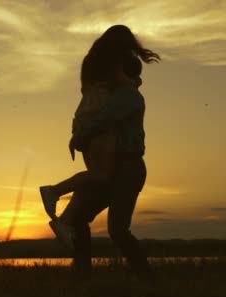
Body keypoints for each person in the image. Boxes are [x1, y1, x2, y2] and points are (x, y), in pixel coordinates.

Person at [40, 25, 160, 260]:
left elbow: (107, 117)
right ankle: (81, 269)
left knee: (117, 229)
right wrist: (82, 133)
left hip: (127, 166)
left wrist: (80, 133)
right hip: (118, 163)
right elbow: (106, 118)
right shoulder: (116, 93)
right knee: (89, 215)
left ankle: (144, 278)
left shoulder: (125, 95)